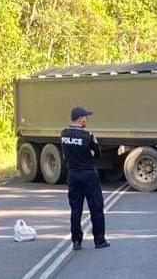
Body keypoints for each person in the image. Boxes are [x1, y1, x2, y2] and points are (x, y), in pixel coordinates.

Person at [61, 107, 110, 250]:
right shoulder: (88, 135)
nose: (87, 120)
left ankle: (76, 241)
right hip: (88, 175)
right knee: (96, 207)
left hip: (73, 175)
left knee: (75, 209)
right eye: (86, 117)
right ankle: (99, 240)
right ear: (80, 118)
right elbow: (98, 153)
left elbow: (65, 155)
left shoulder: (64, 134)